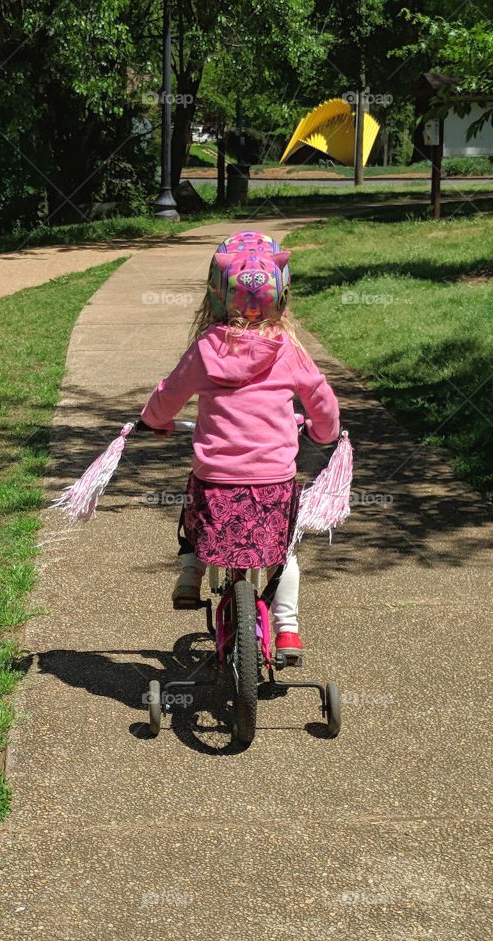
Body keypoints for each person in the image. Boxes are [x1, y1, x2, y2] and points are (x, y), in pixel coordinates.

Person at [138, 229, 340, 666]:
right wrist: (323, 434)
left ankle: (191, 571)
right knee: (282, 552)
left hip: (218, 483)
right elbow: (321, 398)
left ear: (218, 293)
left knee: (194, 505)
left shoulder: (206, 349)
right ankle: (287, 630)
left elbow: (168, 394)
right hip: (273, 482)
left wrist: (155, 420)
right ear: (282, 294)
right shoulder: (288, 348)